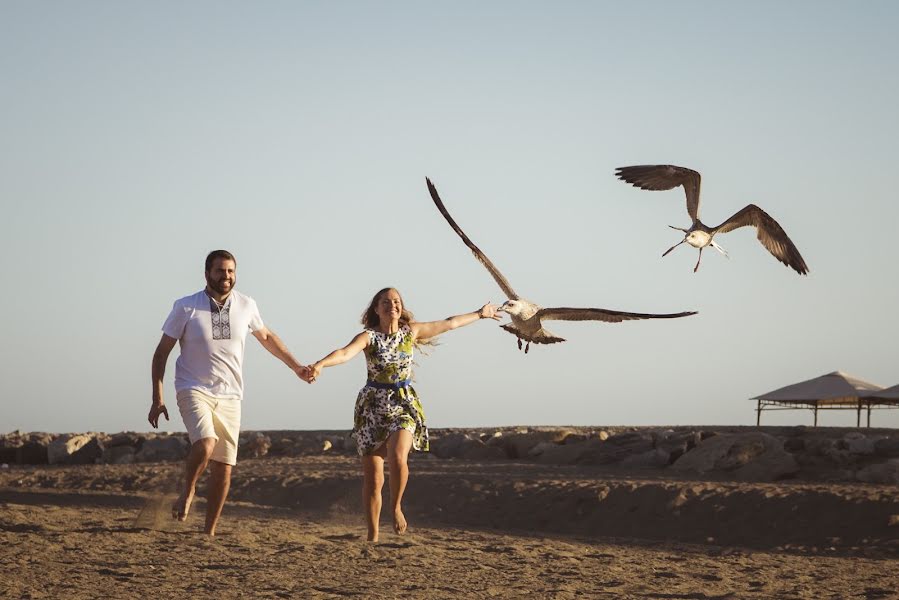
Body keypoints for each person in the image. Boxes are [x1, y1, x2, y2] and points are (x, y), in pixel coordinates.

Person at [309, 287, 500, 542]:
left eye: (396, 301)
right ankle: (373, 534)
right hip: (372, 408)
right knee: (374, 479)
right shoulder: (368, 337)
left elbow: (449, 323)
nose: (392, 306)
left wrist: (480, 313)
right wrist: (320, 365)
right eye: (385, 302)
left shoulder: (412, 332)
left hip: (403, 403)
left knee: (398, 456)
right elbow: (344, 353)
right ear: (376, 309)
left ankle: (396, 506)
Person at [148, 249, 310, 536]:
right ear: (207, 273)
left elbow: (268, 338)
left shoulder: (247, 305)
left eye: (231, 271)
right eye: (220, 271)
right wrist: (157, 398)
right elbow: (161, 354)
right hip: (193, 388)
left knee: (224, 467)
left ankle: (208, 532)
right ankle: (188, 491)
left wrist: (296, 367)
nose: (226, 276)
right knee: (206, 443)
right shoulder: (186, 307)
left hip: (231, 395)